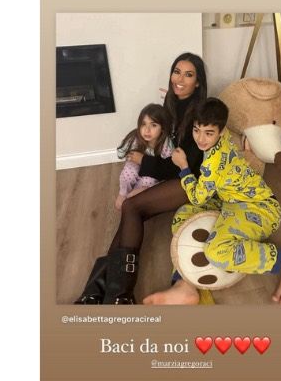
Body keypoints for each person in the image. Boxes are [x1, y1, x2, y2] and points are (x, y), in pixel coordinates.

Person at [142, 98, 281, 306]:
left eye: (208, 133)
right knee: (183, 215)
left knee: (217, 251)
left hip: (261, 208)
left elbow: (197, 197)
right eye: (197, 130)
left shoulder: (213, 164)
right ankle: (184, 284)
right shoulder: (223, 137)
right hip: (231, 202)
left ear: (221, 131)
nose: (201, 139)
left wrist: (183, 167)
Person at [74, 53, 207, 305]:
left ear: (198, 82)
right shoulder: (170, 103)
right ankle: (95, 293)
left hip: (191, 179)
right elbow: (161, 144)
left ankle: (117, 295)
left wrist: (143, 161)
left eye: (188, 75)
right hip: (170, 173)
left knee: (132, 207)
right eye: (176, 72)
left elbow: (181, 166)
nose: (180, 79)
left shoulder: (199, 113)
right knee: (131, 210)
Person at [115, 104, 174, 210]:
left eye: (153, 125)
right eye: (143, 124)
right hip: (135, 163)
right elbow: (121, 151)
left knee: (149, 182)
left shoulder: (166, 143)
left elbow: (169, 164)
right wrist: (126, 154)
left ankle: (134, 195)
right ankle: (123, 193)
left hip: (152, 168)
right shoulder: (134, 137)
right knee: (128, 173)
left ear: (162, 128)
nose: (147, 130)